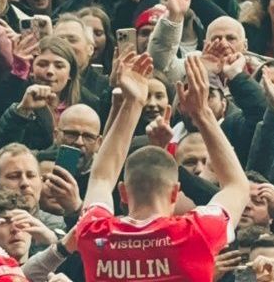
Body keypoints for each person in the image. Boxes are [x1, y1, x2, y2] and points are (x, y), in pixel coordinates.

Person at [74, 54, 249, 281]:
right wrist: (202, 113)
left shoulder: (93, 232)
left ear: (123, 192)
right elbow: (237, 186)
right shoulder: (197, 232)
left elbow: (101, 177)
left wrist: (132, 103)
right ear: (175, 192)